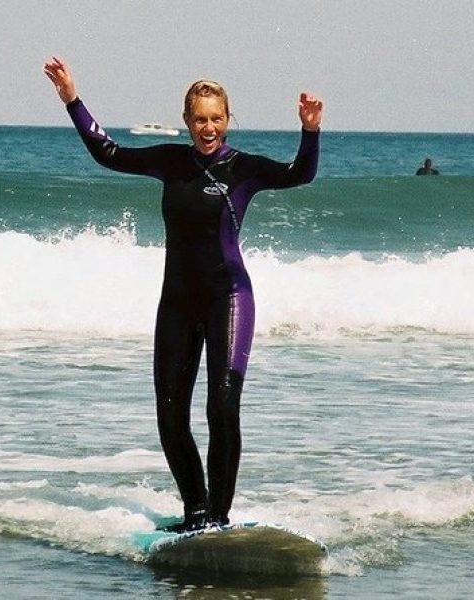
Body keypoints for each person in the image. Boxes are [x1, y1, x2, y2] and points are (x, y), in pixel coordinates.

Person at [43, 56, 323, 532]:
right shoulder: (170, 161)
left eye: (216, 118)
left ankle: (219, 518)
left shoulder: (243, 169)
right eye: (199, 119)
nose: (208, 127)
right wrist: (73, 99)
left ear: (227, 119)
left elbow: (300, 174)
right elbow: (107, 153)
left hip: (228, 299)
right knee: (170, 416)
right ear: (187, 120)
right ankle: (195, 513)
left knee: (222, 406)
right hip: (176, 302)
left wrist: (310, 131)